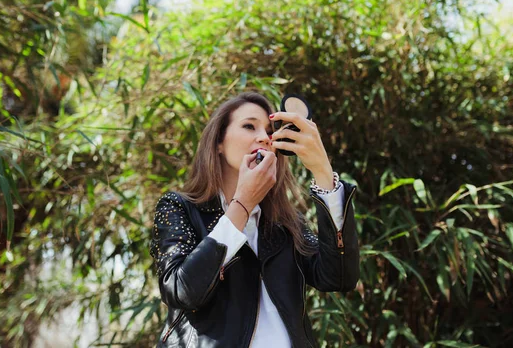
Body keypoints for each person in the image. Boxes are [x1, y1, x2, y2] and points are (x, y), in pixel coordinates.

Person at [150, 92, 359, 348]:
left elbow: (339, 277)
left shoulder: (286, 225)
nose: (264, 136)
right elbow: (181, 290)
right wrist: (243, 205)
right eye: (249, 126)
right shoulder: (180, 208)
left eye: (270, 130)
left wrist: (323, 171)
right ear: (219, 142)